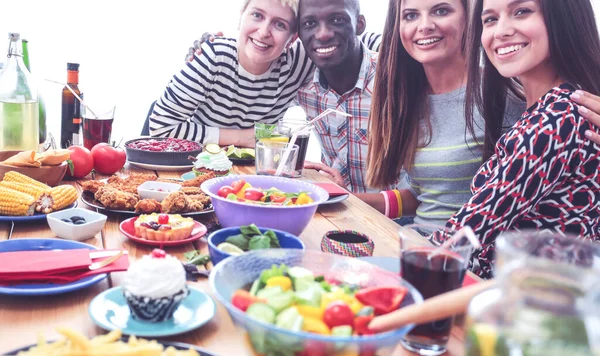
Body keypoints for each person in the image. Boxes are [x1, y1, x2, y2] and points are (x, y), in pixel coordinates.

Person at [430, 0, 600, 279]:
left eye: (521, 11)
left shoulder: (556, 118)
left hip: (530, 306)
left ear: (564, 17)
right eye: (490, 19)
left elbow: (466, 233)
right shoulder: (553, 107)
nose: (501, 31)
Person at [149, 0, 307, 148]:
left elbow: (265, 133)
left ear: (293, 38)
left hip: (257, 168)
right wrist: (241, 138)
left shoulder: (298, 63)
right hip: (199, 164)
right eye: (257, 15)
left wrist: (281, 147)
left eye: (280, 24)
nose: (264, 32)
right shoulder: (213, 56)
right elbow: (160, 128)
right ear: (241, 17)